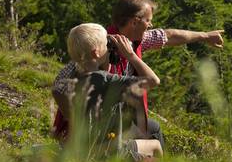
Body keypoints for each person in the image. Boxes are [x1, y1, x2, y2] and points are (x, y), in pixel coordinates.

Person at [52, 0, 224, 145]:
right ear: (135, 22)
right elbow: (61, 82)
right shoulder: (104, 45)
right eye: (148, 20)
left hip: (117, 119)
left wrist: (205, 36)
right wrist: (72, 118)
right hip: (99, 129)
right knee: (152, 131)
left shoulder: (134, 41)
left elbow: (168, 36)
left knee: (151, 129)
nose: (150, 25)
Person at [53, 23, 160, 153]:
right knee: (155, 145)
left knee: (151, 126)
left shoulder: (68, 80)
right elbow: (153, 81)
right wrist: (131, 55)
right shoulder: (105, 81)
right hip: (109, 151)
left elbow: (57, 89)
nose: (108, 47)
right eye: (106, 44)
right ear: (96, 53)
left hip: (81, 146)